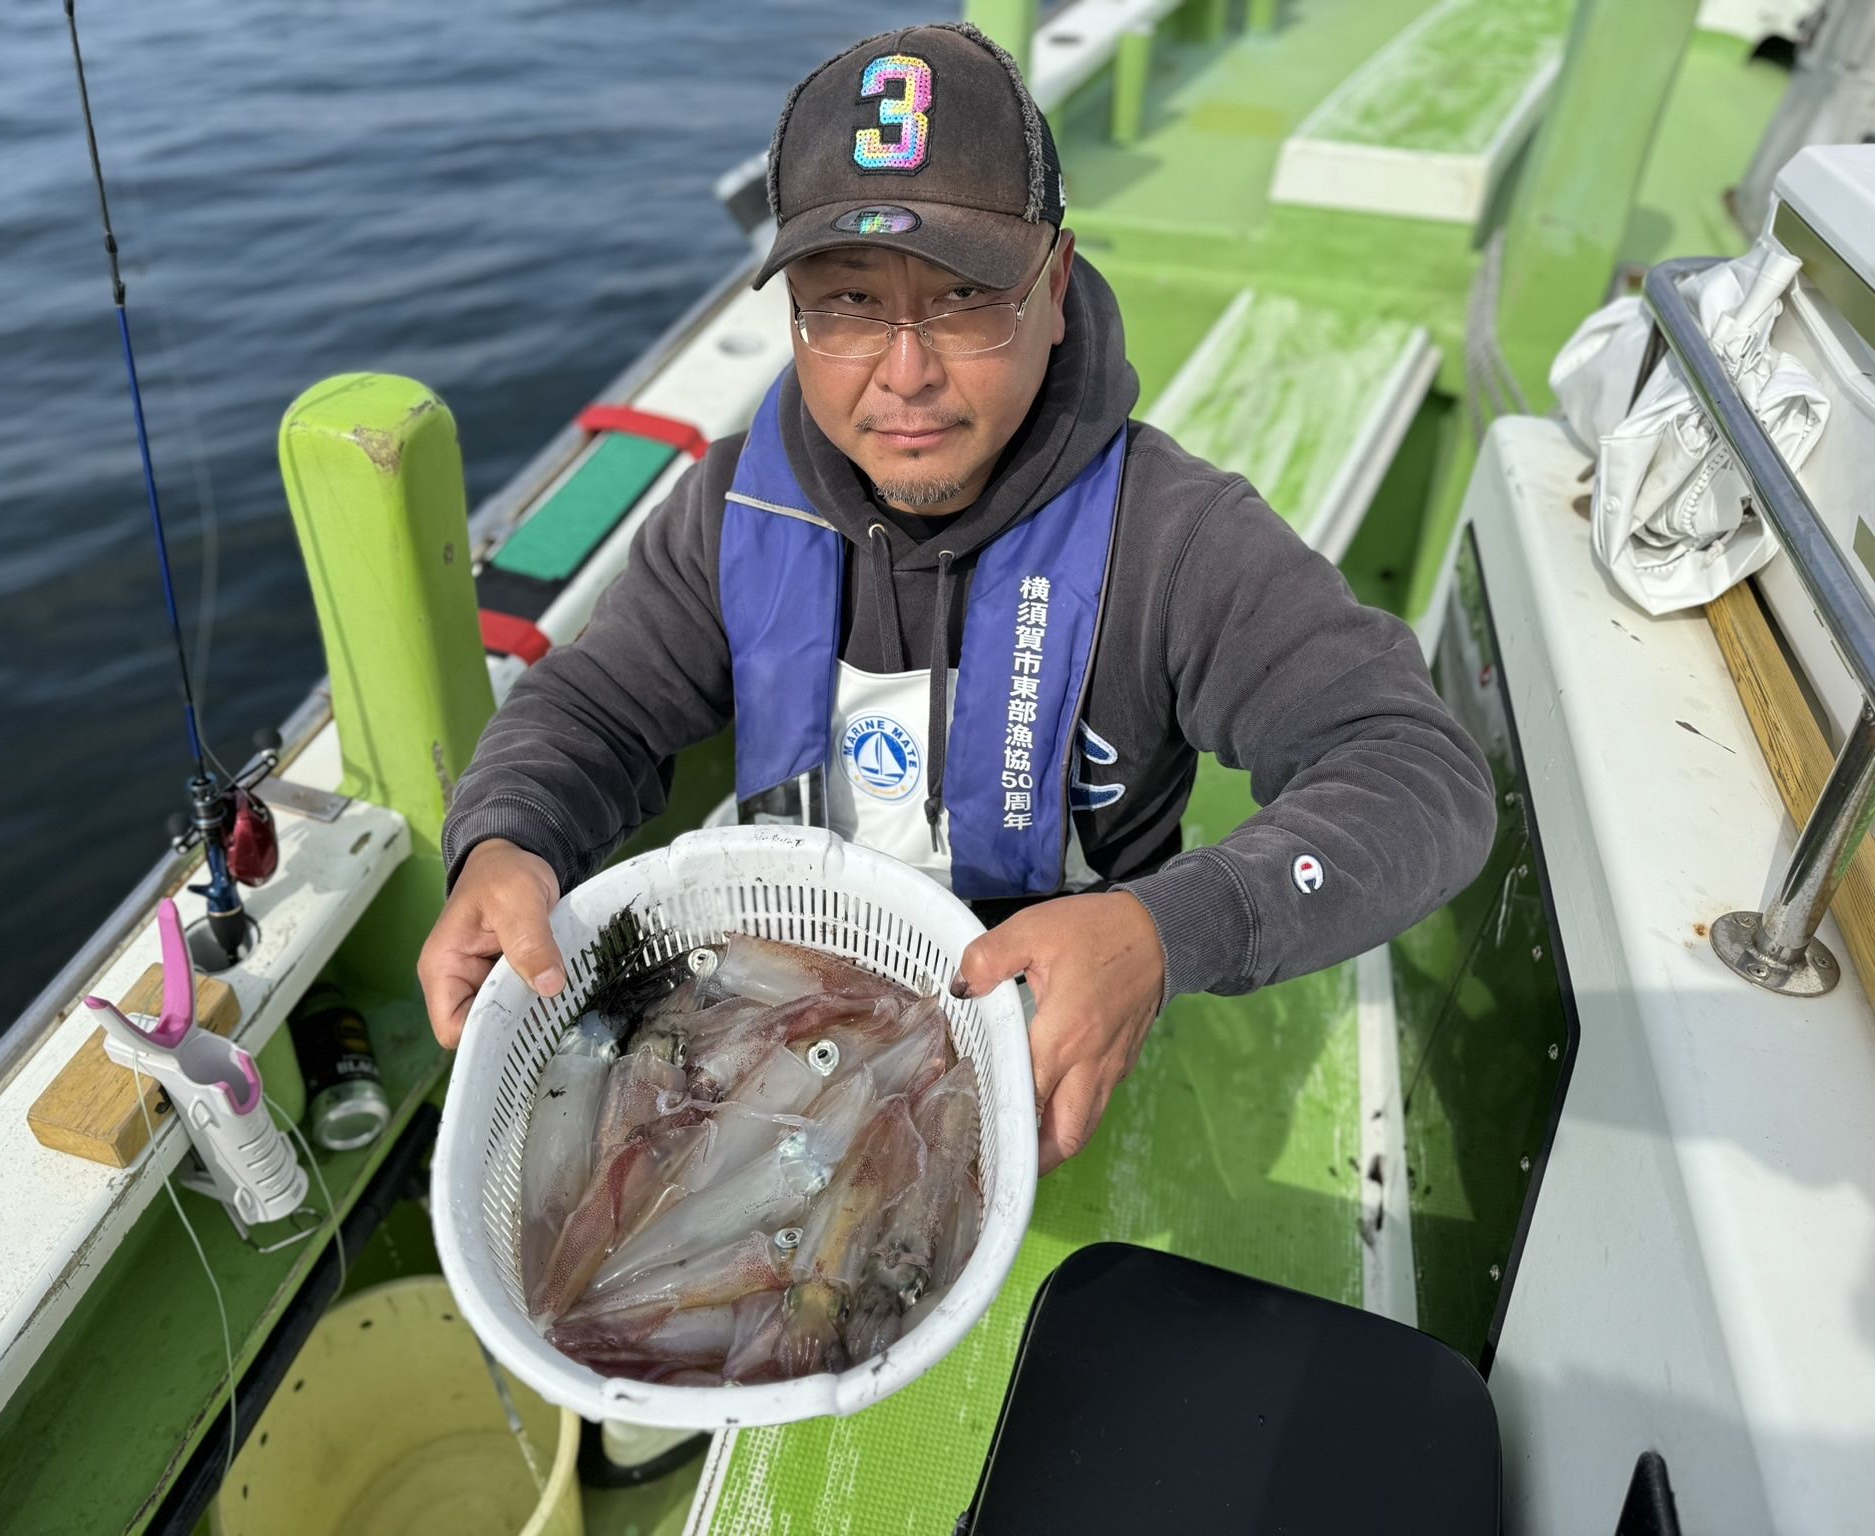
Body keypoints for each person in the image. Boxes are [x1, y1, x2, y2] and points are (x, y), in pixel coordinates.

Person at [420, 22, 1494, 1173]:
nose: (905, 372)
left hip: (1044, 1037)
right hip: (778, 1008)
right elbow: (596, 707)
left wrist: (1166, 929)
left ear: (1055, 287)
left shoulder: (1176, 540)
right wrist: (507, 839)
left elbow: (1414, 775)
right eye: (846, 302)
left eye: (965, 298)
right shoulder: (732, 509)